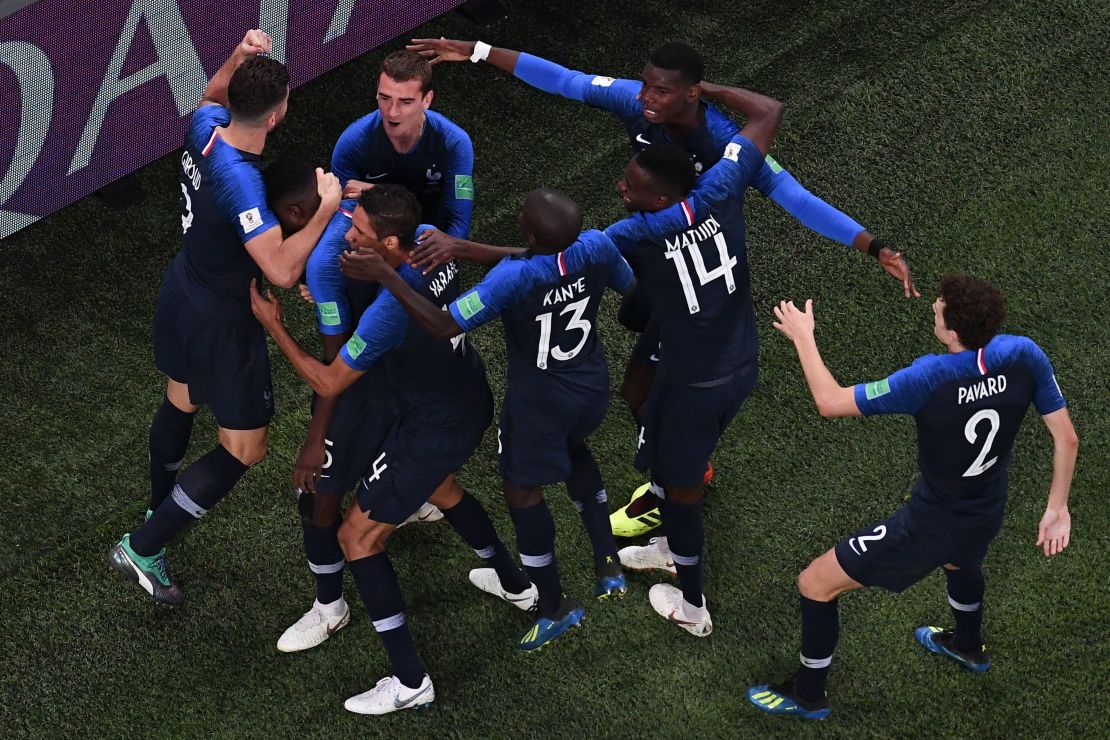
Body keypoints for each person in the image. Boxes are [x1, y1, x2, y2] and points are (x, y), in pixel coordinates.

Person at [407, 37, 918, 537]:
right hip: (658, 270)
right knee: (637, 362)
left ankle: (676, 487)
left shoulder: (718, 140)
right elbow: (564, 79)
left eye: (662, 92)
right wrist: (475, 51)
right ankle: (679, 468)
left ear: (692, 93)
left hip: (687, 283)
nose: (646, 99)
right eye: (646, 87)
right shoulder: (639, 101)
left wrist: (872, 246)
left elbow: (794, 195)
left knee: (645, 383)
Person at [250, 184, 535, 716]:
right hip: (463, 396)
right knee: (441, 488)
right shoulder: (428, 242)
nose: (348, 235)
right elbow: (526, 258)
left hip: (432, 424)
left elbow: (331, 381)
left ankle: (410, 681)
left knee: (356, 538)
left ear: (389, 241)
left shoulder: (388, 311)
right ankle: (516, 585)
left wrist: (275, 326)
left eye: (357, 230)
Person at [745, 276, 1077, 720]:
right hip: (987, 508)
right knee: (962, 560)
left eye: (939, 308)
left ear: (953, 332)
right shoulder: (1024, 354)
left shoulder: (929, 377)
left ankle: (807, 695)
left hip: (930, 525)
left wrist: (804, 338)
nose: (933, 308)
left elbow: (829, 401)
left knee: (815, 583)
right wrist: (1057, 508)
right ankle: (967, 646)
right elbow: (1067, 439)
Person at [341, 188, 636, 651]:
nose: (517, 212)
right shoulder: (596, 243)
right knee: (576, 450)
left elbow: (443, 325)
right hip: (591, 385)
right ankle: (607, 563)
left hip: (539, 406)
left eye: (522, 212)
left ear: (530, 231)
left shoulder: (511, 280)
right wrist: (462, 248)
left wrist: (384, 273)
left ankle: (554, 606)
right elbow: (627, 288)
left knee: (522, 494)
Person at [108, 30, 341, 605]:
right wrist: (327, 209)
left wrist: (238, 56)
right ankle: (145, 545)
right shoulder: (242, 181)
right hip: (222, 317)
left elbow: (210, 91)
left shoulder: (205, 125)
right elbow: (281, 270)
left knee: (180, 399)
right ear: (278, 112)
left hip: (182, 288)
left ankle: (157, 502)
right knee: (245, 449)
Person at [261, 160, 439, 654]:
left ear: (299, 213)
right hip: (413, 384)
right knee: (438, 482)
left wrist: (316, 440)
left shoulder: (322, 265)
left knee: (319, 501)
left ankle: (328, 607)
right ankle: (520, 583)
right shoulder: (406, 228)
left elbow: (332, 371)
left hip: (369, 391)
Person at [331, 50, 474, 238]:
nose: (392, 112)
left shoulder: (456, 144)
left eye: (406, 102)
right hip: (374, 240)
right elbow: (347, 221)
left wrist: (378, 192)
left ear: (427, 100)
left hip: (429, 239)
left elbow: (458, 222)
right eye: (385, 98)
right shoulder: (351, 144)